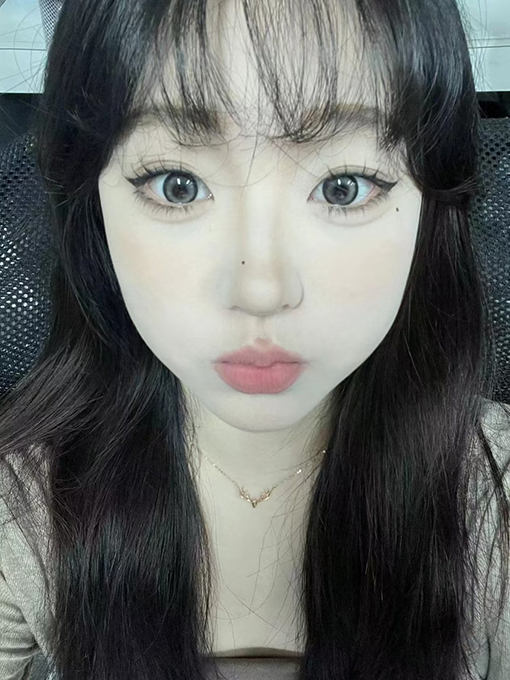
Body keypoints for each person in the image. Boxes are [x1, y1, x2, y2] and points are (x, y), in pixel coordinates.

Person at [1, 0, 510, 678]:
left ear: (429, 210)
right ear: (92, 208)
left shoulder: (494, 496)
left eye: (343, 186)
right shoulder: (22, 509)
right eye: (178, 185)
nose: (261, 289)